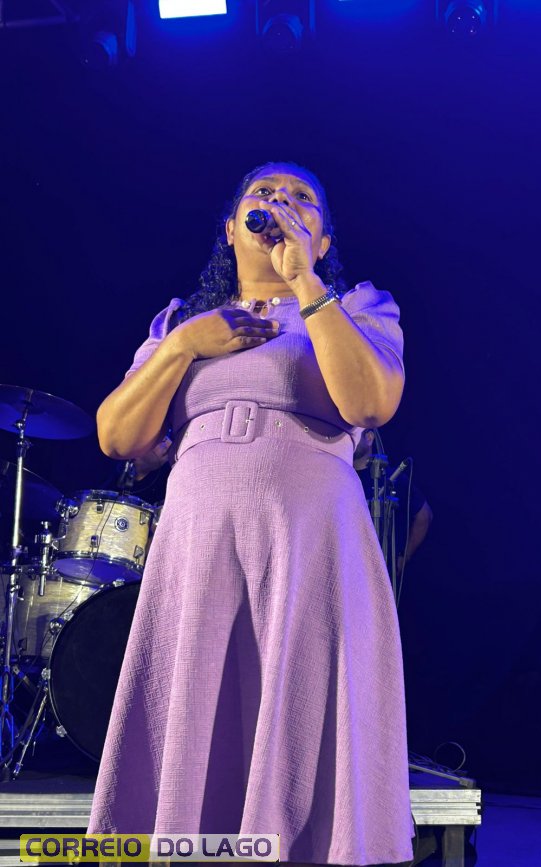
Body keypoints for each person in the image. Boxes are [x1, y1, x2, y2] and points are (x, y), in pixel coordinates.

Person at [86, 161, 415, 866]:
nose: (280, 201)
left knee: (300, 710)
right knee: (201, 712)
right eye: (263, 193)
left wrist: (305, 284)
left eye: (302, 199)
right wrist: (184, 345)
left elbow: (368, 403)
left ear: (322, 239)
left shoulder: (357, 307)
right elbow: (117, 436)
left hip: (310, 539)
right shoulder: (183, 323)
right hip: (201, 540)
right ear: (232, 228)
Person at [354, 429, 433, 575]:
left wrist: (405, 556)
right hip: (349, 568)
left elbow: (424, 515)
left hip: (380, 570)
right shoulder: (340, 475)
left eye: (354, 433)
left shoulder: (392, 479)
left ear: (369, 437)